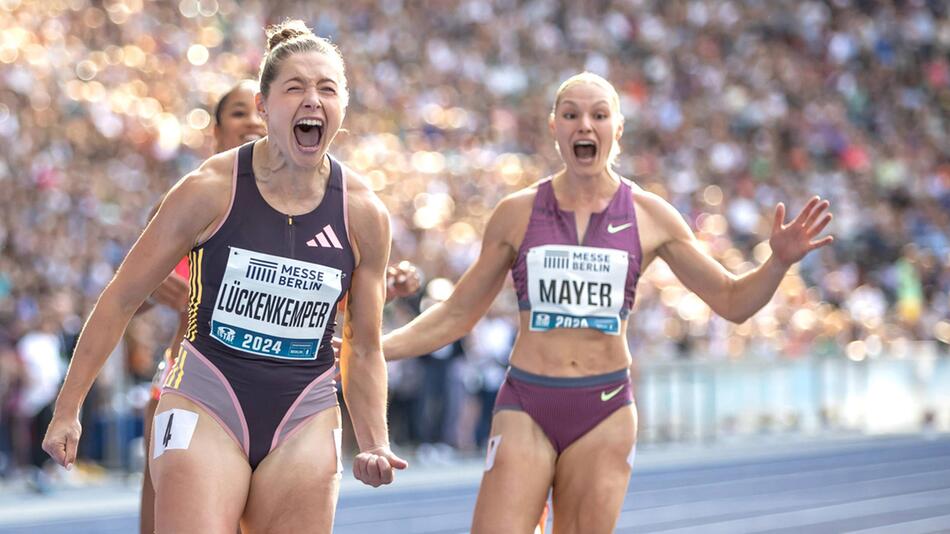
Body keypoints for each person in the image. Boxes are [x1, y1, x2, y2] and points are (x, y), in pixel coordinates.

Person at [382, 72, 833, 533]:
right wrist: (376, 349)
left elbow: (733, 301)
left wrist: (777, 262)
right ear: (554, 126)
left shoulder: (650, 215)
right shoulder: (516, 213)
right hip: (527, 401)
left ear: (617, 130)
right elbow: (458, 312)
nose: (585, 125)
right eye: (572, 114)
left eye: (599, 115)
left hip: (605, 408)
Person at [44, 19, 406, 533]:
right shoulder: (209, 189)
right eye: (295, 87)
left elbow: (364, 346)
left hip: (305, 408)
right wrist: (68, 407)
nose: (312, 100)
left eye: (327, 88)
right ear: (265, 106)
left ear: (342, 108)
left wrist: (375, 441)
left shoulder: (364, 213)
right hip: (206, 394)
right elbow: (122, 296)